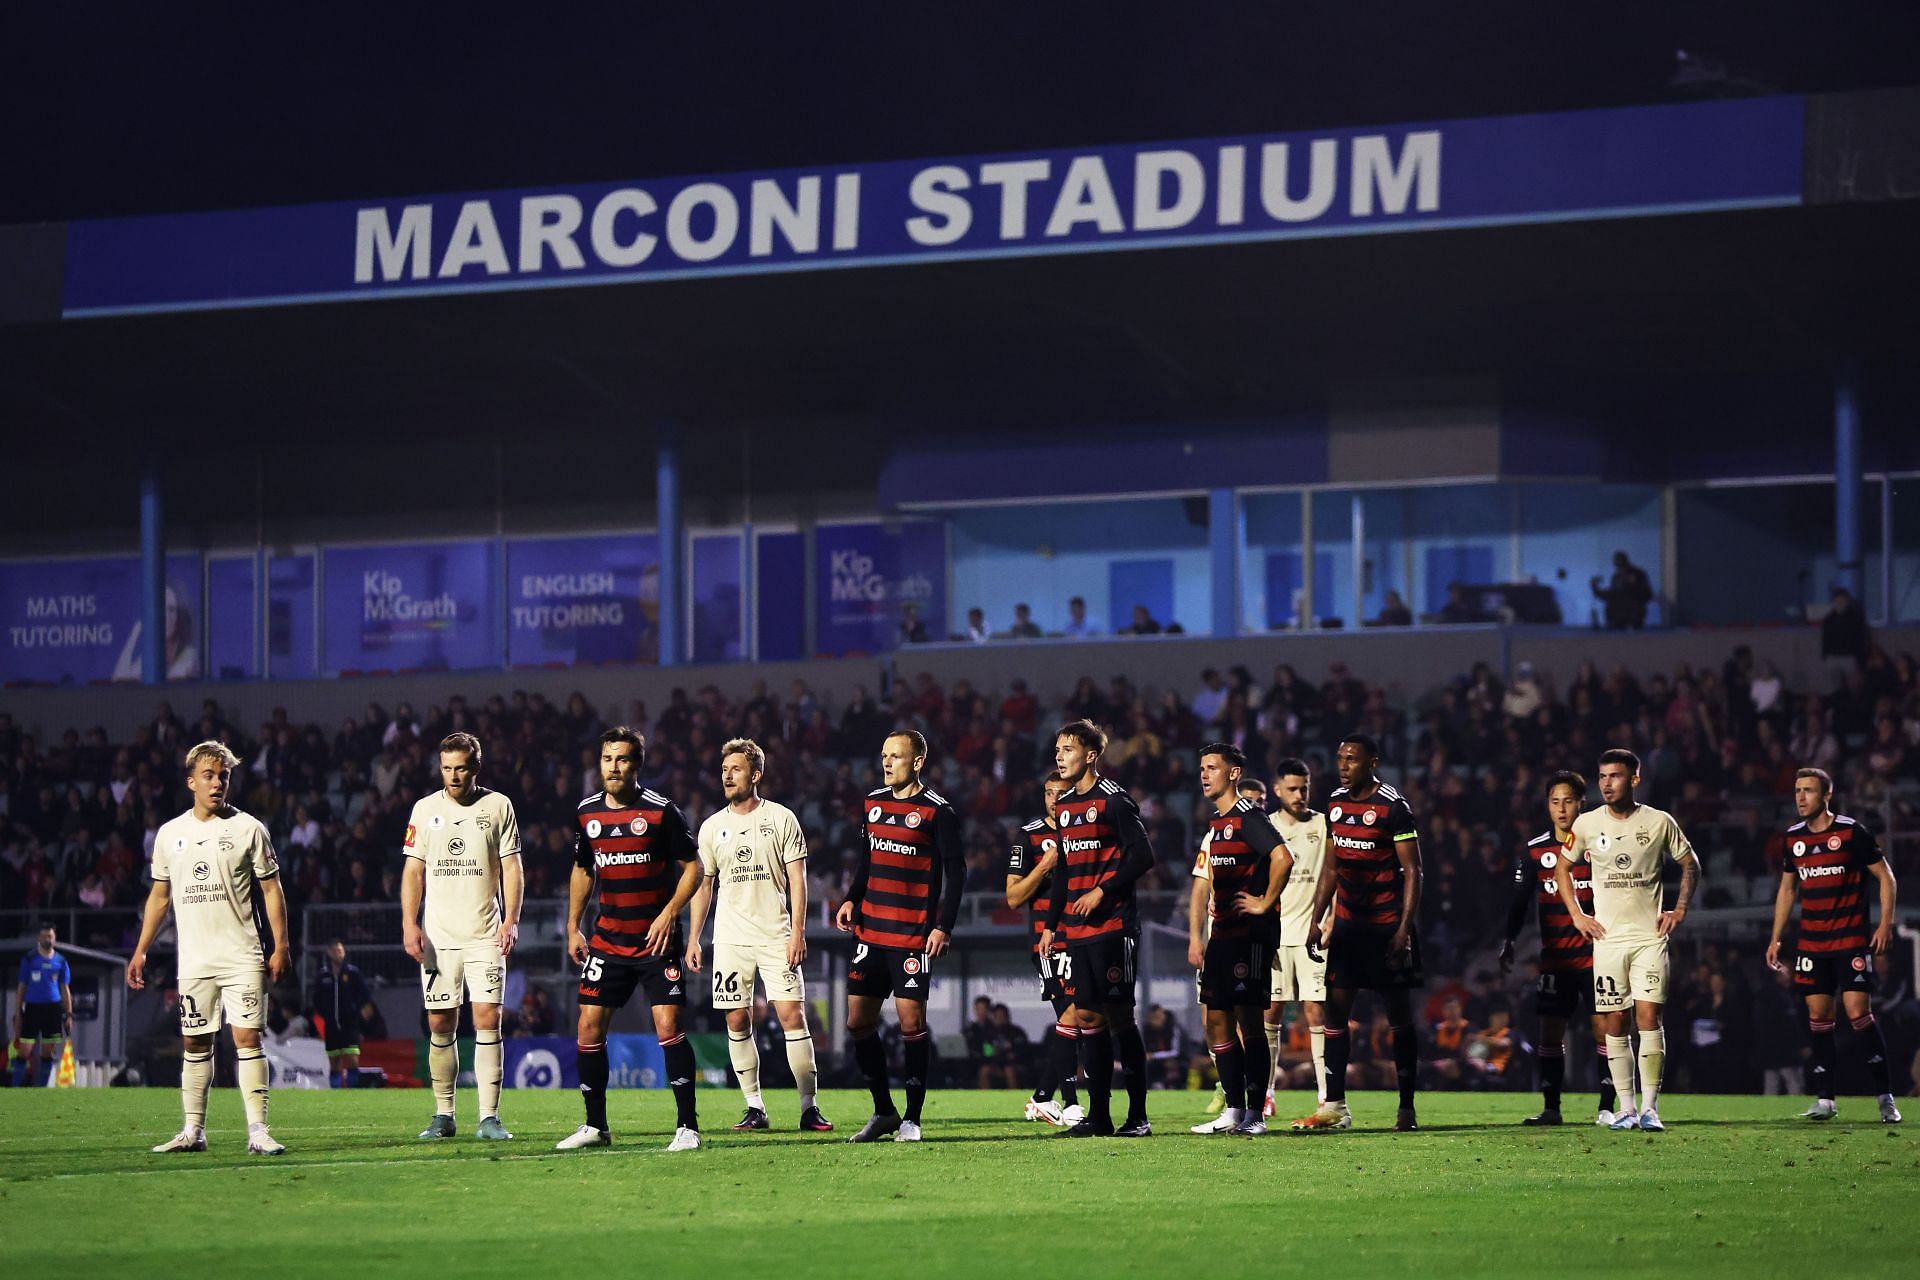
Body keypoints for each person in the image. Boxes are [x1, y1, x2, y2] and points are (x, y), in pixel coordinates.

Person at [129, 740, 291, 1155]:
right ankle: (193, 1131)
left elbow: (272, 890)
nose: (218, 783)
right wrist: (141, 949)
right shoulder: (170, 834)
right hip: (196, 959)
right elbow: (159, 898)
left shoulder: (249, 828)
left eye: (224, 776)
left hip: (243, 955)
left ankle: (258, 1131)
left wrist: (281, 944)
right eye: (209, 775)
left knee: (247, 1038)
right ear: (191, 782)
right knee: (195, 1043)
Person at [556, 727, 703, 1152]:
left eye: (622, 760)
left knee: (669, 1025)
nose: (613, 768)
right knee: (588, 1025)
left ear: (637, 764)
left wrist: (669, 914)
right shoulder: (587, 813)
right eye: (607, 759)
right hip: (609, 938)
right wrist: (572, 925)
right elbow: (584, 869)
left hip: (656, 940)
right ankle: (595, 1126)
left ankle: (687, 1127)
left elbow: (692, 867)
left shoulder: (661, 812)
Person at [684, 737, 832, 1133]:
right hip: (730, 937)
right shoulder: (713, 827)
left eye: (736, 769)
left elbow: (798, 882)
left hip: (775, 934)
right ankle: (754, 1107)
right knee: (736, 1019)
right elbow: (704, 886)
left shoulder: (782, 818)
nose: (728, 776)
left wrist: (798, 932)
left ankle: (808, 1107)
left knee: (792, 1015)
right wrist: (694, 937)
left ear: (756, 774)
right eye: (724, 770)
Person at [1557, 748, 1701, 1133]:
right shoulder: (1587, 824)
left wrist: (1679, 908)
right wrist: (1577, 916)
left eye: (1615, 776)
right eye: (1602, 776)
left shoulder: (1658, 822)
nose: (1607, 783)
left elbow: (1690, 863)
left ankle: (1651, 1108)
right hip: (1607, 941)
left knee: (1648, 1017)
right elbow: (1562, 868)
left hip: (1649, 938)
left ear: (1634, 779)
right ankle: (1625, 1107)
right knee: (1613, 1023)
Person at [834, 730, 966, 1142]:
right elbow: (866, 860)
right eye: (884, 755)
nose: (887, 762)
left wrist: (943, 925)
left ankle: (912, 1117)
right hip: (870, 932)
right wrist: (851, 898)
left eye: (896, 756)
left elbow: (956, 872)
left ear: (918, 761)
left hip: (911, 935)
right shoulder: (873, 804)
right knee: (858, 1023)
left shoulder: (937, 812)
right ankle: (883, 1111)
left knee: (912, 1023)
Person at [1294, 733, 1424, 1133]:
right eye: (1340, 758)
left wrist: (1404, 929)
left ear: (1372, 762)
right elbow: (1330, 869)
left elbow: (1413, 872)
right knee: (1335, 1013)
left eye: (1351, 759)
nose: (1343, 765)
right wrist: (1317, 919)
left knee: (1398, 1017)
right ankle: (1334, 1106)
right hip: (1349, 928)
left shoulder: (1392, 807)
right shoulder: (1335, 804)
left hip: (1386, 927)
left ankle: (1406, 1107)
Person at [402, 731, 523, 1140]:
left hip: (485, 933)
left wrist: (511, 920)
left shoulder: (498, 806)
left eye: (461, 768)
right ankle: (444, 1115)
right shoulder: (424, 810)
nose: (453, 776)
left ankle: (489, 1117)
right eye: (447, 768)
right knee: (440, 1023)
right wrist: (409, 923)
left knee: (488, 1019)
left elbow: (512, 868)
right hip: (439, 938)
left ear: (476, 767)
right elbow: (413, 872)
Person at [1041, 719, 1158, 1138]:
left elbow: (1143, 856)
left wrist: (1102, 891)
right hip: (1077, 932)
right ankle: (1099, 1116)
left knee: (1120, 1017)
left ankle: (1138, 1116)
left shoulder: (1113, 801)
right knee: (1088, 1016)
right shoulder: (1066, 807)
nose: (1060, 756)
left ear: (1091, 755)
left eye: (1068, 749)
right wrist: (1050, 927)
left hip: (1113, 926)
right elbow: (1067, 872)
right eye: (1057, 749)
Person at [1765, 767, 1901, 1123]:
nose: (1800, 797)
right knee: (1819, 1018)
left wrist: (1885, 924)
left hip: (1851, 939)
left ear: (1826, 795)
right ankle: (1825, 1099)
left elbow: (1885, 876)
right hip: (1812, 943)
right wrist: (1776, 936)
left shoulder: (1851, 832)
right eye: (1797, 790)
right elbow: (1787, 889)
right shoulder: (1793, 838)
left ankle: (1885, 1097)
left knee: (1857, 1014)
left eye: (1808, 790)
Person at [1498, 770, 1619, 1126]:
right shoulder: (1536, 850)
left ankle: (1607, 1107)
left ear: (1582, 804)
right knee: (1550, 1032)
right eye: (1555, 802)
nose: (1562, 809)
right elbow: (1519, 900)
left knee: (1604, 1030)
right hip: (1555, 960)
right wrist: (1510, 940)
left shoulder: (1600, 846)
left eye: (1568, 801)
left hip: (1596, 955)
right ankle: (1552, 1108)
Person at [1187, 744, 1293, 1136]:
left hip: (1249, 935)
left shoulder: (1250, 816)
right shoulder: (1218, 823)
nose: (1204, 774)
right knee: (1217, 1020)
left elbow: (1283, 857)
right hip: (1224, 931)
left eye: (1212, 768)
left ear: (1233, 774)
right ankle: (1232, 1109)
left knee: (1250, 1023)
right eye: (1202, 768)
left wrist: (1265, 902)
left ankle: (1255, 1113)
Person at [1007, 773, 1084, 1126]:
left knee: (1080, 1019)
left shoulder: (1083, 830)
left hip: (1085, 936)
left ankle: (1042, 1098)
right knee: (1072, 1016)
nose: (1054, 799)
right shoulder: (1029, 836)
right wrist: (1045, 864)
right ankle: (1069, 1103)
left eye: (1061, 792)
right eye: (1049, 793)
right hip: (1048, 941)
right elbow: (1013, 897)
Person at [1265, 761, 1333, 1123]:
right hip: (1277, 934)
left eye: (1304, 788)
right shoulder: (1267, 826)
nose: (1299, 795)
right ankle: (1266, 1093)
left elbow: (1336, 872)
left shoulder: (1323, 824)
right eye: (1292, 789)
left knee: (1316, 1012)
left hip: (1313, 931)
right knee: (1270, 1012)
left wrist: (1331, 917)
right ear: (1277, 790)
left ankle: (1326, 1096)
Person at [12, 923, 72, 1087]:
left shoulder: (61, 961)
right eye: (45, 936)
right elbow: (21, 987)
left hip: (53, 1009)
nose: (48, 939)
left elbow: (65, 989)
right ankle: (15, 1088)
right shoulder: (29, 959)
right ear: (39, 938)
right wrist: (18, 1012)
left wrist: (69, 1014)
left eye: (50, 936)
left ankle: (41, 1089)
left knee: (48, 1052)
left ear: (55, 938)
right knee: (25, 1049)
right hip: (32, 1008)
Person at [308, 938, 373, 1090]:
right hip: (331, 1025)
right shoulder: (323, 976)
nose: (339, 954)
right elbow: (316, 1001)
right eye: (336, 951)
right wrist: (322, 1017)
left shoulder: (352, 973)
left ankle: (352, 1092)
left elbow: (364, 995)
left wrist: (363, 1009)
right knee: (334, 1062)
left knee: (352, 1060)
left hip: (350, 1024)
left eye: (341, 951)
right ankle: (336, 1093)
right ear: (329, 953)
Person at [1590, 551, 1652, 630]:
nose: (1620, 568)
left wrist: (1632, 586)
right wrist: (1595, 587)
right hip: (1616, 620)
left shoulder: (1638, 574)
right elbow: (1610, 594)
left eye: (1622, 565)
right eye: (1618, 565)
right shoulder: (1617, 577)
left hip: (1633, 618)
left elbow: (1647, 594)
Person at [1819, 587, 1870, 668]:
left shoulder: (1855, 619)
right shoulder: (1829, 619)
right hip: (1833, 656)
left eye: (1842, 601)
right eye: (1837, 601)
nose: (1839, 603)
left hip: (1849, 656)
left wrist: (1861, 658)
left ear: (1847, 602)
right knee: (1834, 679)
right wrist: (1825, 654)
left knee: (1852, 679)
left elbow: (1860, 639)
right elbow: (1826, 639)